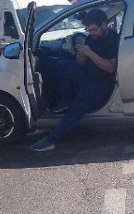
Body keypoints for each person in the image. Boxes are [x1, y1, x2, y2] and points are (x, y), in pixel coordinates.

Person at [31, 9, 119, 152]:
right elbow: (81, 63)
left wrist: (90, 53)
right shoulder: (92, 37)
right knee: (62, 65)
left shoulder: (113, 40)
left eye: (94, 29)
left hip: (101, 83)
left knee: (77, 107)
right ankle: (65, 101)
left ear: (104, 25)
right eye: (88, 29)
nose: (92, 33)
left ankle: (51, 139)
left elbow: (110, 67)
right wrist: (81, 57)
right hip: (86, 75)